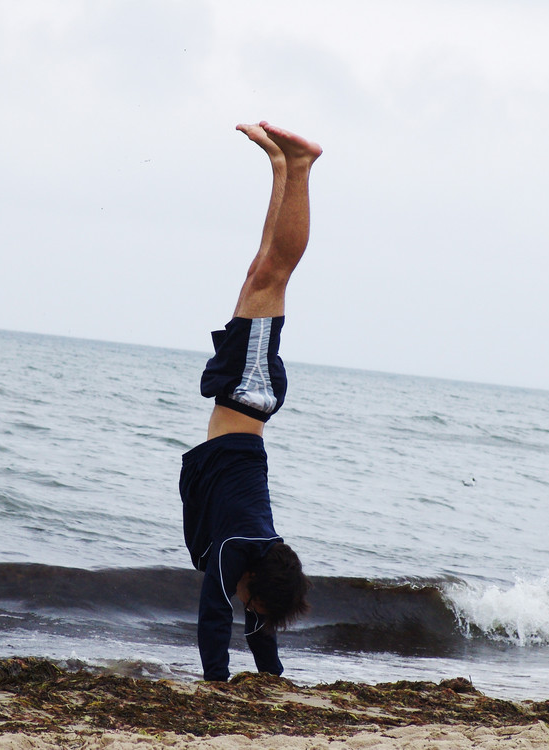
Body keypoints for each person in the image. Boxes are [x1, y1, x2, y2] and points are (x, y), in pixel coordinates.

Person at [180, 121, 322, 681]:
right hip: (249, 392)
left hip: (247, 399)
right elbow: (215, 612)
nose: (249, 610)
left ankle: (281, 168)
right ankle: (302, 167)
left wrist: (271, 677)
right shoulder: (241, 548)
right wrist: (216, 683)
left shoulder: (257, 551)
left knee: (260, 268)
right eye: (255, 604)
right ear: (256, 586)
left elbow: (250, 621)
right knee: (275, 273)